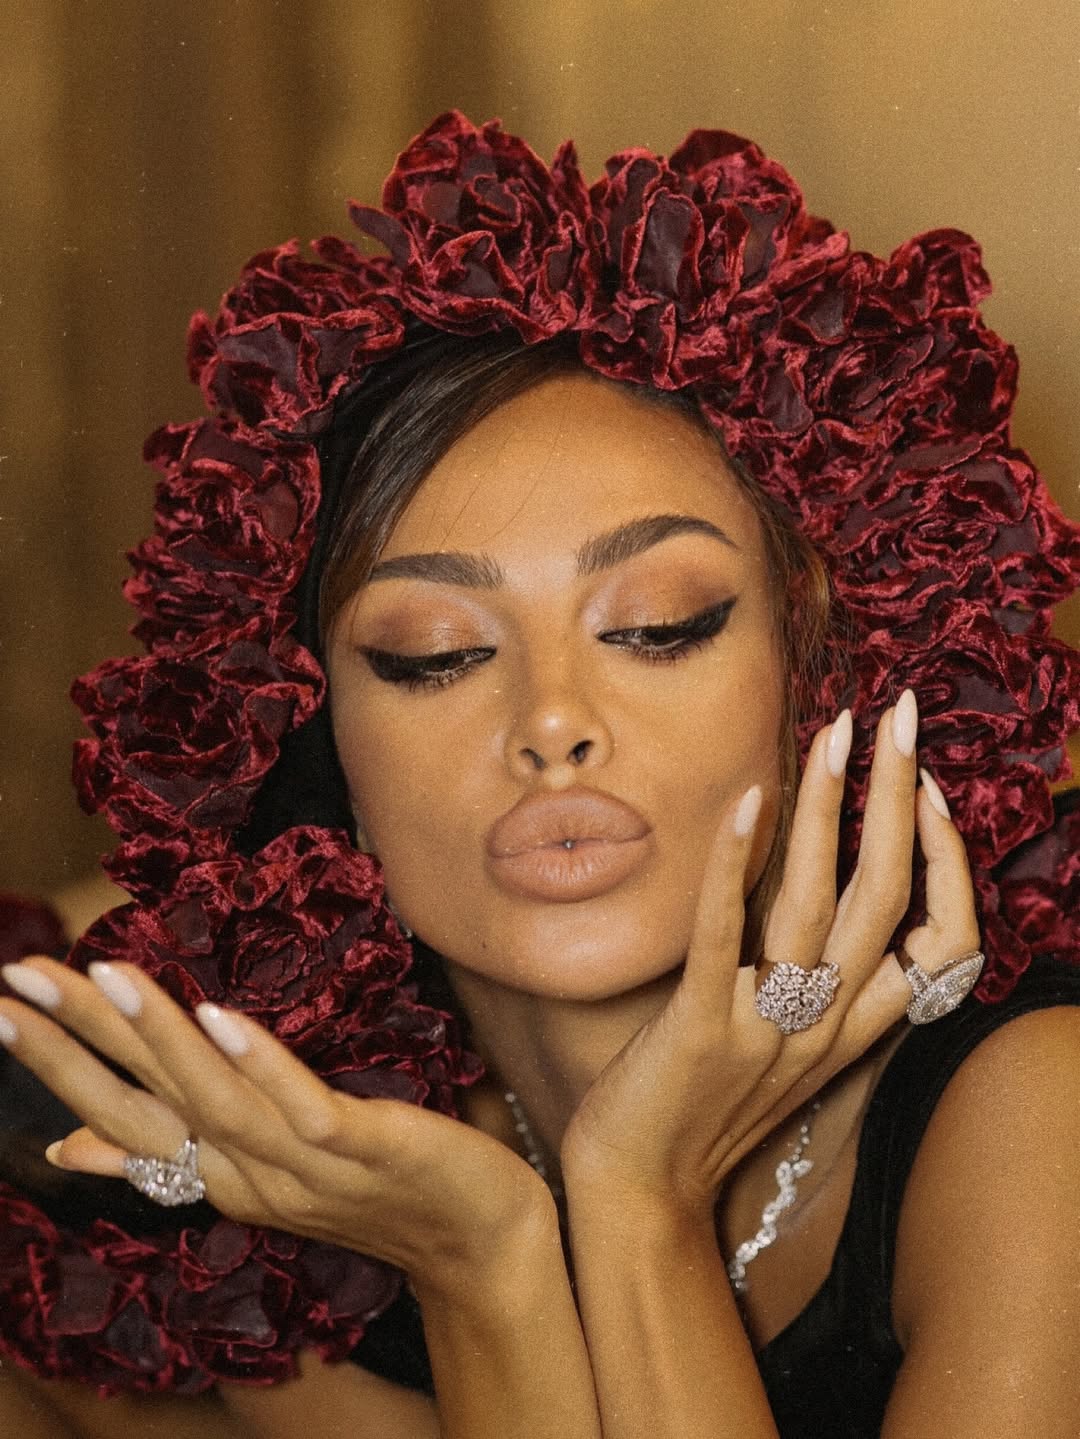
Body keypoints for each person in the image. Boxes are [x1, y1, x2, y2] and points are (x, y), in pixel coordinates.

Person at [0, 112, 1077, 1439]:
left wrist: (639, 1201)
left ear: (818, 671)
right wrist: (483, 1264)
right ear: (308, 732)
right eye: (435, 654)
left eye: (661, 626)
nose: (553, 722)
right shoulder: (295, 1220)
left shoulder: (1035, 1110)